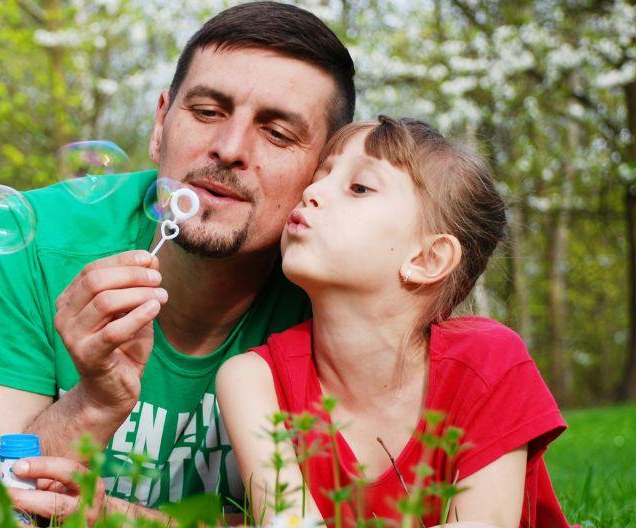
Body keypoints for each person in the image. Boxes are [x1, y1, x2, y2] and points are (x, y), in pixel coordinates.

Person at [0, 2, 358, 519]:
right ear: (160, 124)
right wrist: (91, 404)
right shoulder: (32, 238)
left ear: (323, 173)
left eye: (278, 133)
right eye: (207, 112)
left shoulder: (340, 289)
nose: (229, 148)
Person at [217, 116, 569, 527]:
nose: (311, 192)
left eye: (359, 188)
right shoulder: (252, 380)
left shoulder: (488, 363)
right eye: (321, 175)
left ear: (427, 259)